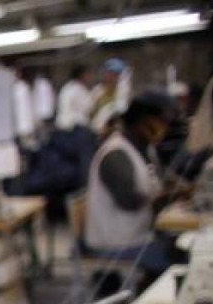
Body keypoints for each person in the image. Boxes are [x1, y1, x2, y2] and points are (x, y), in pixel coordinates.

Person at [83, 93, 177, 280]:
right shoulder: (115, 154)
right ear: (143, 122)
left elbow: (158, 180)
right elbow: (129, 201)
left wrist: (175, 187)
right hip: (115, 244)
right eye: (161, 121)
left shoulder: (144, 149)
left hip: (137, 237)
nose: (165, 128)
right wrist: (166, 196)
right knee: (179, 258)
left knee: (181, 244)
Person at [90, 58, 128, 134]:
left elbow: (122, 110)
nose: (112, 77)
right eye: (109, 73)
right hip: (95, 131)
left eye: (116, 74)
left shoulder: (123, 92)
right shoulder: (96, 91)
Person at [56, 65, 95, 131]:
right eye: (88, 74)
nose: (90, 77)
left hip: (61, 126)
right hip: (76, 128)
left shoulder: (66, 87)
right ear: (82, 75)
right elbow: (89, 108)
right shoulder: (80, 89)